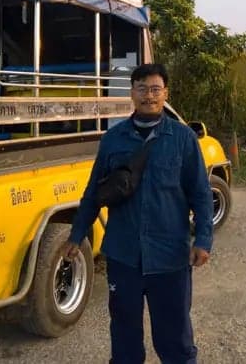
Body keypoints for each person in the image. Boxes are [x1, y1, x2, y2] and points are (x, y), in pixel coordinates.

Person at [66, 63, 213, 364]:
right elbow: (94, 192)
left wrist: (204, 240)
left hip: (170, 257)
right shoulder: (113, 140)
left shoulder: (183, 139)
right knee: (124, 335)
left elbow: (200, 192)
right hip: (124, 256)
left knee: (175, 338)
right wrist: (76, 233)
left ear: (165, 93)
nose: (149, 95)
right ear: (132, 93)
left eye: (156, 89)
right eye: (142, 89)